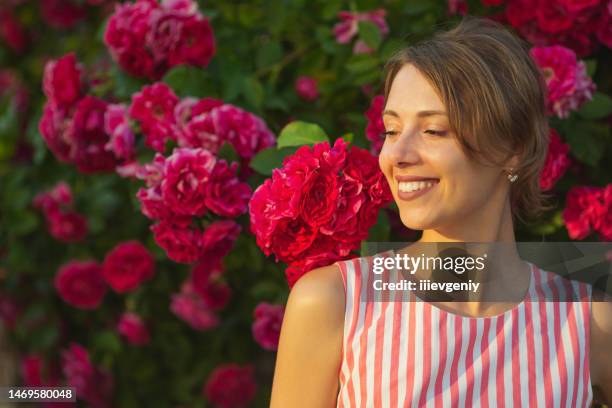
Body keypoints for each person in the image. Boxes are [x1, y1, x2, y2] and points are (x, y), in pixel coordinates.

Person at [270, 16, 612, 407]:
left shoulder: (589, 325)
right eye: (392, 131)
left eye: (433, 131)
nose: (396, 155)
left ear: (513, 149)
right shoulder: (335, 303)